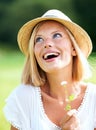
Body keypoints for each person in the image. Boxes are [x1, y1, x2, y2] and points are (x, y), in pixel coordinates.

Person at [3, 9, 96, 130]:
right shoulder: (23, 98)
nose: (47, 44)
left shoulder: (93, 99)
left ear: (74, 48)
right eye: (39, 39)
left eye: (57, 35)